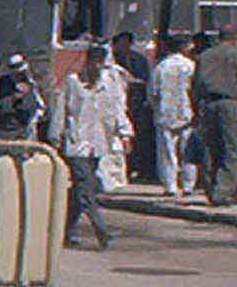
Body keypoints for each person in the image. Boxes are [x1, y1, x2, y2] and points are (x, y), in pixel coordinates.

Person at [57, 44, 118, 249]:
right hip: (76, 143)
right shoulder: (73, 82)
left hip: (98, 142)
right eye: (95, 61)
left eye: (101, 62)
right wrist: (56, 139)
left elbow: (115, 108)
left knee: (79, 190)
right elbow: (61, 111)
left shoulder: (108, 83)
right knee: (86, 188)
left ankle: (66, 231)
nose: (98, 66)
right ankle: (102, 231)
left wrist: (124, 133)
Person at [193, 22, 237, 206]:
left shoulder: (204, 56)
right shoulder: (236, 55)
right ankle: (223, 190)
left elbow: (195, 84)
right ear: (235, 38)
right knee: (233, 147)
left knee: (211, 148)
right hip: (230, 103)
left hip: (208, 104)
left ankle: (210, 187)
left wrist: (196, 108)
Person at [151, 35, 198, 197]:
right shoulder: (191, 66)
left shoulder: (161, 67)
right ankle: (188, 185)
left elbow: (153, 92)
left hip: (165, 113)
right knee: (188, 150)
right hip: (187, 113)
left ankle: (170, 185)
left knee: (167, 152)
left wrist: (156, 107)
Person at [110, 28, 152, 182]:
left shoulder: (138, 60)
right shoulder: (111, 62)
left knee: (138, 137)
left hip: (136, 103)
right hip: (117, 104)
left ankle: (138, 168)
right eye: (121, 44)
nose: (125, 47)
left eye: (128, 44)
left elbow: (146, 80)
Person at [0, 53, 43, 140]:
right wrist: (15, 97)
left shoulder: (30, 82)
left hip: (25, 124)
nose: (20, 75)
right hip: (7, 126)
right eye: (17, 73)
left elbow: (38, 103)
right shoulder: (4, 83)